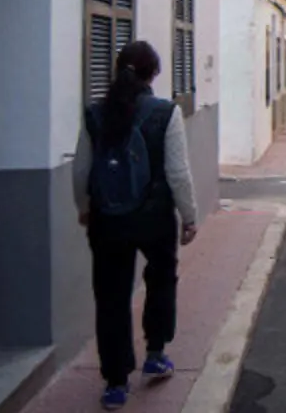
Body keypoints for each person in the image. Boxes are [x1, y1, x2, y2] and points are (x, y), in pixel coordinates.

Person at [73, 41, 199, 410]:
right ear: (153, 75)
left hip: (108, 220)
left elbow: (81, 168)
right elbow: (178, 172)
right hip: (155, 218)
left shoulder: (96, 114)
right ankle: (155, 354)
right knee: (160, 281)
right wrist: (189, 217)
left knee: (111, 296)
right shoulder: (166, 113)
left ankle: (115, 382)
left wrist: (84, 208)